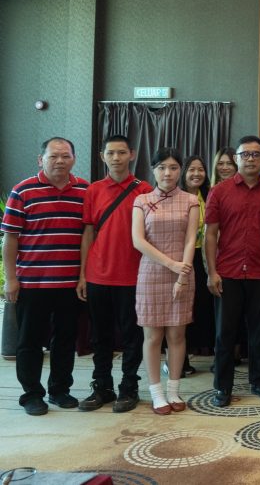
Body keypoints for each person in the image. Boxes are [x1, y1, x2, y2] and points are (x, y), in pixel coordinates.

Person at [2, 138, 88, 416]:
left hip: (70, 283)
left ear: (74, 158)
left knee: (65, 339)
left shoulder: (85, 190)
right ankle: (31, 394)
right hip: (32, 283)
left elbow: (88, 236)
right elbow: (10, 239)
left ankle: (59, 390)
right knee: (29, 341)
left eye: (65, 156)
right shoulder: (22, 191)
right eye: (53, 156)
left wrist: (83, 276)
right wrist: (10, 279)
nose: (59, 161)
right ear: (41, 160)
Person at [204, 136, 260, 407]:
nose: (250, 159)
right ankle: (222, 387)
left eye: (256, 154)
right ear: (236, 158)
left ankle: (259, 381)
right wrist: (212, 272)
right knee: (225, 333)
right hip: (228, 272)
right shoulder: (219, 191)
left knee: (259, 331)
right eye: (245, 154)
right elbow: (210, 234)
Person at [77, 134, 153, 413]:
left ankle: (129, 387)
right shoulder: (94, 190)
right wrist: (83, 274)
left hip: (133, 276)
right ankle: (102, 387)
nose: (116, 158)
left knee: (132, 336)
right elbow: (88, 233)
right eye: (111, 153)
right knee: (100, 336)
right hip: (98, 275)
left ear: (131, 154)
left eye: (122, 152)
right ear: (103, 156)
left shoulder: (144, 189)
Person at [131, 148, 200, 414]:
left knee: (177, 334)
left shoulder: (190, 200)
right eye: (161, 167)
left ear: (180, 170)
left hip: (183, 272)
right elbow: (138, 241)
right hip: (151, 274)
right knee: (152, 336)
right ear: (153, 170)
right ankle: (156, 393)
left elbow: (191, 239)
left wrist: (182, 274)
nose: (167, 173)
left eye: (173, 167)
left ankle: (173, 390)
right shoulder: (142, 200)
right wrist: (172, 264)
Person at [180, 154, 212, 373]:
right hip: (181, 258)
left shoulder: (210, 195)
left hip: (204, 258)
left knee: (200, 307)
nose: (196, 174)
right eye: (191, 169)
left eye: (200, 169)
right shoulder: (176, 196)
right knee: (180, 308)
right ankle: (177, 359)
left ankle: (194, 351)